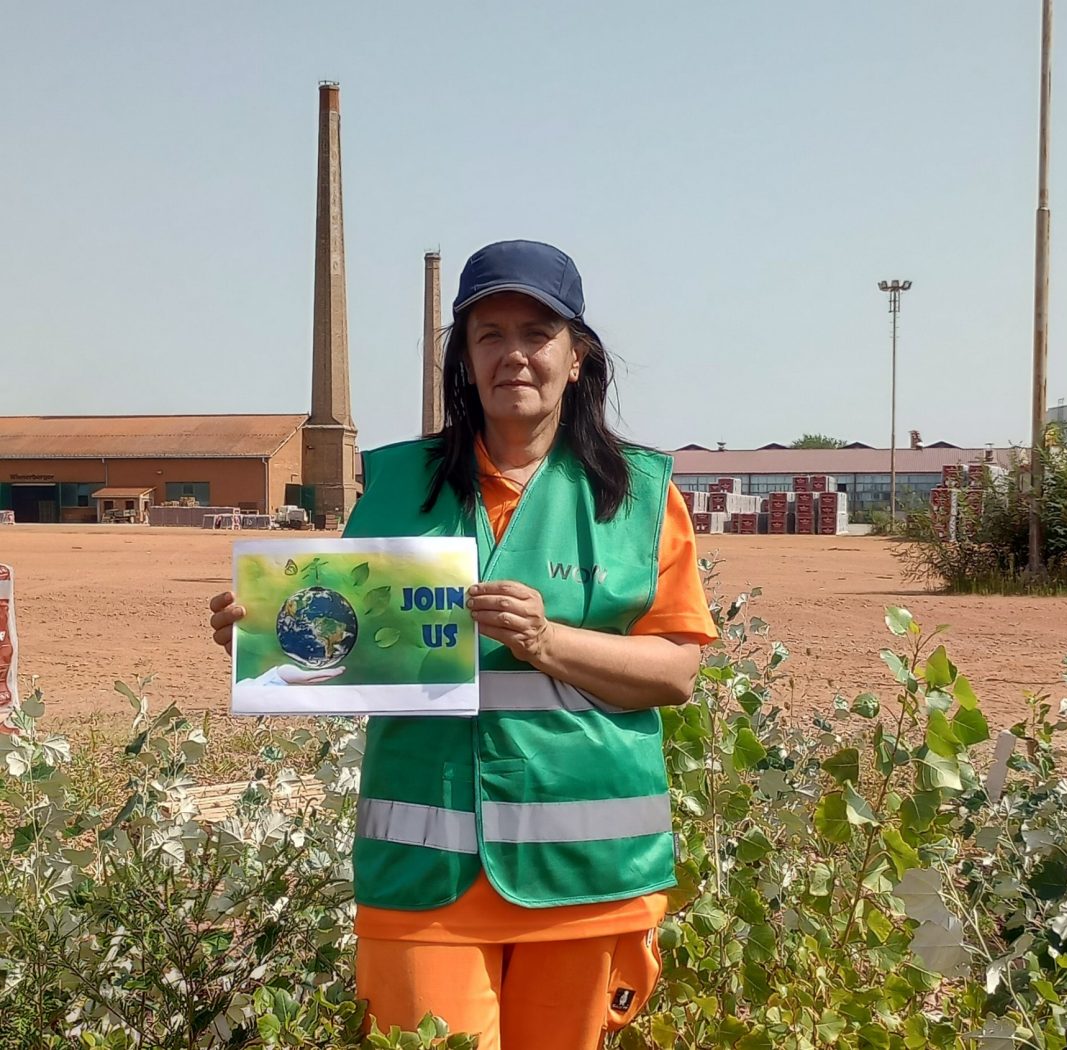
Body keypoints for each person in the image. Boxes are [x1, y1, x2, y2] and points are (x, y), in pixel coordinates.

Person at [209, 240, 718, 1048]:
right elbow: (345, 645)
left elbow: (677, 673)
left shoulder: (639, 496)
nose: (513, 354)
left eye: (536, 332)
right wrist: (266, 634)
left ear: (576, 356)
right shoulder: (399, 489)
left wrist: (549, 641)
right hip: (424, 883)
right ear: (464, 359)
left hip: (588, 881)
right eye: (489, 335)